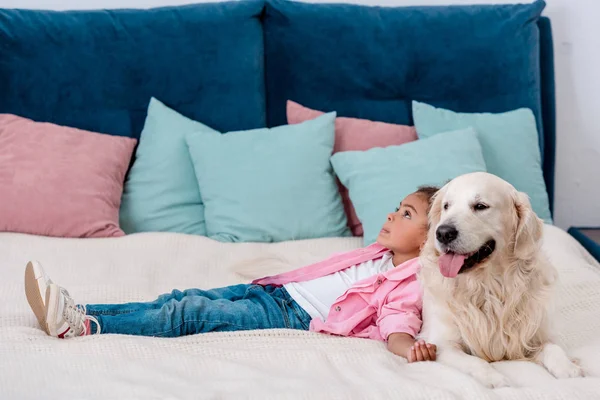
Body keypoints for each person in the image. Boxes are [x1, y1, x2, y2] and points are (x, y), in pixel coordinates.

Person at [24, 186, 439, 363]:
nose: (390, 214)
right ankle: (76, 309)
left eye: (406, 214)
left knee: (185, 313)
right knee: (178, 297)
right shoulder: (380, 254)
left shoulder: (414, 279)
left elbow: (398, 323)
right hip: (272, 291)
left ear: (430, 238)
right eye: (396, 205)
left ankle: (84, 326)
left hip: (289, 315)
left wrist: (408, 350)